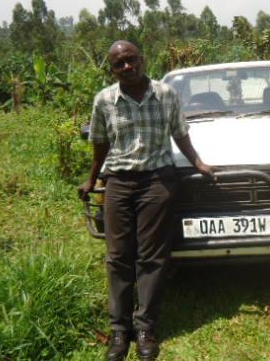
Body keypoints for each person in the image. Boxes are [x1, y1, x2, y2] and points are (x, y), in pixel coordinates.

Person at [78, 40, 214, 361]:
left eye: (131, 59)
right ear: (112, 69)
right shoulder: (104, 100)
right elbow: (100, 144)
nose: (127, 66)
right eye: (119, 63)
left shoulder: (166, 94)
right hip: (118, 182)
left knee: (152, 257)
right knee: (118, 257)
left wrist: (197, 163)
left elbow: (180, 133)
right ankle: (119, 331)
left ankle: (145, 329)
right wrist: (92, 178)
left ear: (142, 59)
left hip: (156, 181)